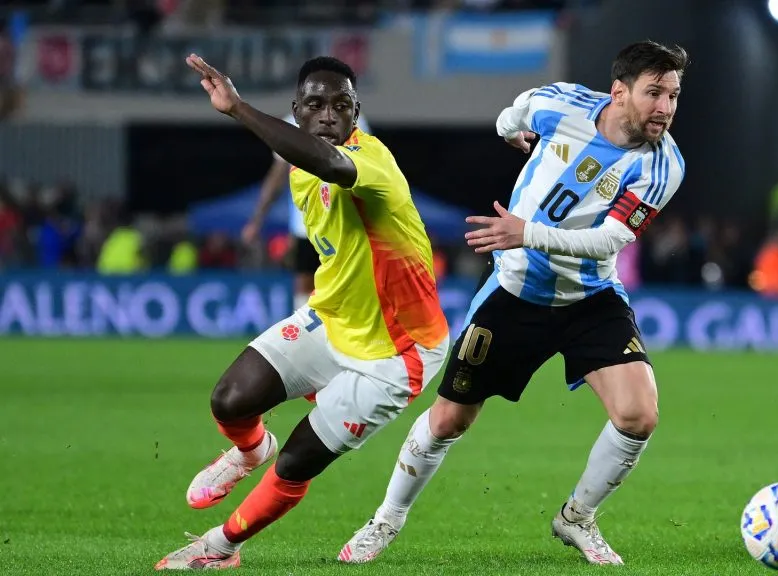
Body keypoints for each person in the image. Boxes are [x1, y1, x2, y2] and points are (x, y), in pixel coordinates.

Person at [339, 40, 688, 566]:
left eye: (673, 96)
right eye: (654, 93)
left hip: (590, 297)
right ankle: (386, 520)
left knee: (639, 415)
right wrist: (510, 130)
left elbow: (609, 241)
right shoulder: (564, 103)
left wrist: (528, 232)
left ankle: (577, 518)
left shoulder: (663, 166)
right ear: (619, 91)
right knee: (449, 420)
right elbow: (517, 109)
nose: (665, 107)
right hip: (516, 291)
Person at [154, 53, 450, 570]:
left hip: (397, 351)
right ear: (296, 110)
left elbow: (332, 164)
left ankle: (220, 548)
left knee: (296, 461)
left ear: (357, 111)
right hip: (332, 318)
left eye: (342, 105)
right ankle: (250, 451)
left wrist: (239, 108)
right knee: (230, 400)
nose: (329, 115)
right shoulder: (299, 175)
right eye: (315, 105)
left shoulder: (371, 160)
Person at [241, 112, 372, 312]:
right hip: (306, 225)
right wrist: (257, 219)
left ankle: (345, 328)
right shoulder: (291, 124)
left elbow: (364, 169)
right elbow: (277, 178)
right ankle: (306, 330)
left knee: (345, 284)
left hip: (344, 223)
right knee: (305, 283)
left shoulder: (353, 120)